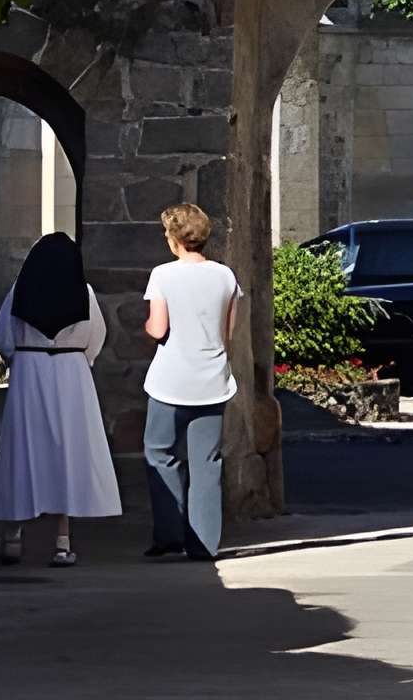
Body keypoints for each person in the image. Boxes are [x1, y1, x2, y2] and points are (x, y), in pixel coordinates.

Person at [0, 230, 122, 567]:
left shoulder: (20, 291)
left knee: (23, 448)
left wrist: (23, 357)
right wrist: (76, 359)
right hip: (71, 374)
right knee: (67, 453)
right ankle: (62, 541)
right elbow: (96, 338)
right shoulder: (83, 294)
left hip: (30, 371)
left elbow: (4, 335)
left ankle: (13, 534)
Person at [141, 202, 241, 563]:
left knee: (159, 452)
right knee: (206, 461)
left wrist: (146, 328)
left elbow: (158, 328)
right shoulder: (225, 276)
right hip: (212, 376)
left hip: (171, 378)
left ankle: (169, 533)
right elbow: (228, 330)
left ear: (174, 238)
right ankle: (204, 544)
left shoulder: (163, 275)